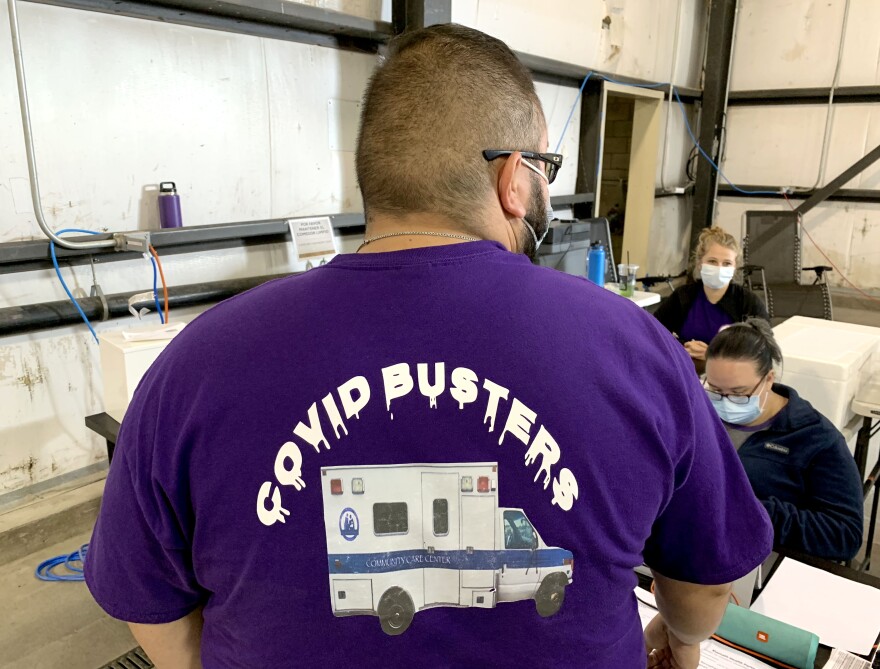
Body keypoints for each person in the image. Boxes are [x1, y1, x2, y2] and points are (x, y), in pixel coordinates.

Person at [84, 24, 772, 669]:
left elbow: (148, 604)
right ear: (513, 177)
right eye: (544, 169)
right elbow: (702, 580)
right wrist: (681, 643)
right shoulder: (637, 349)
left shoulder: (197, 363)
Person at [704, 319, 864, 562]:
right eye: (715, 390)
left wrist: (749, 510)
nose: (725, 402)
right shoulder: (699, 415)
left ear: (769, 379)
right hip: (698, 546)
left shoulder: (816, 440)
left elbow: (844, 536)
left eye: (739, 394)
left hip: (763, 562)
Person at [654, 226, 768, 372]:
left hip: (731, 377)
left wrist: (712, 353)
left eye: (727, 263)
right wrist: (683, 346)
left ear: (735, 268)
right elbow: (654, 330)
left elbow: (762, 347)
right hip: (686, 370)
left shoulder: (747, 302)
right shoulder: (683, 296)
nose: (719, 268)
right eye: (712, 261)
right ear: (700, 264)